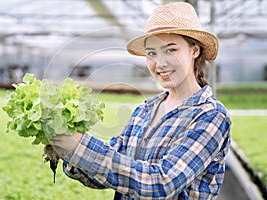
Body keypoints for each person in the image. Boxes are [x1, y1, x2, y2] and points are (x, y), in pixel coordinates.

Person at [51, 2, 231, 199]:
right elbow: (106, 171)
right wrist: (66, 150)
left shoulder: (210, 115)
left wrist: (80, 147)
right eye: (152, 53)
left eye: (171, 50)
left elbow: (162, 183)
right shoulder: (144, 111)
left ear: (194, 51)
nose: (160, 63)